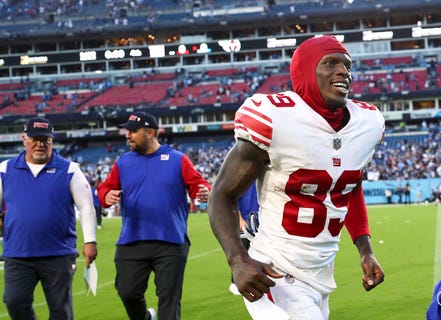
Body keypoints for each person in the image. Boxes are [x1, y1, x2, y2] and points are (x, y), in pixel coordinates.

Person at [208, 35, 385, 319]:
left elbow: (349, 187)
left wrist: (365, 250)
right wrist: (238, 259)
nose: (343, 72)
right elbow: (222, 194)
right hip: (275, 271)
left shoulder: (367, 124)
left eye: (347, 65)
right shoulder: (276, 118)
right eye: (330, 63)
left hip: (320, 273)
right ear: (305, 72)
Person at [98, 111, 211, 320]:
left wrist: (204, 191)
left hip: (170, 240)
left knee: (169, 300)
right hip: (132, 239)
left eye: (133, 131)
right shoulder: (123, 162)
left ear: (150, 132)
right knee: (127, 291)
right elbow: (104, 189)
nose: (127, 135)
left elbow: (198, 185)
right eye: (126, 131)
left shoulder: (178, 159)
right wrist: (107, 195)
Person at [0, 117, 98, 319]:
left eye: (46, 139)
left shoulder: (70, 169)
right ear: (24, 139)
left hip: (58, 253)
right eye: (35, 138)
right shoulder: (5, 169)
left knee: (60, 309)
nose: (41, 144)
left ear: (52, 141)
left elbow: (86, 206)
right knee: (14, 301)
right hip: (18, 253)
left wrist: (90, 241)